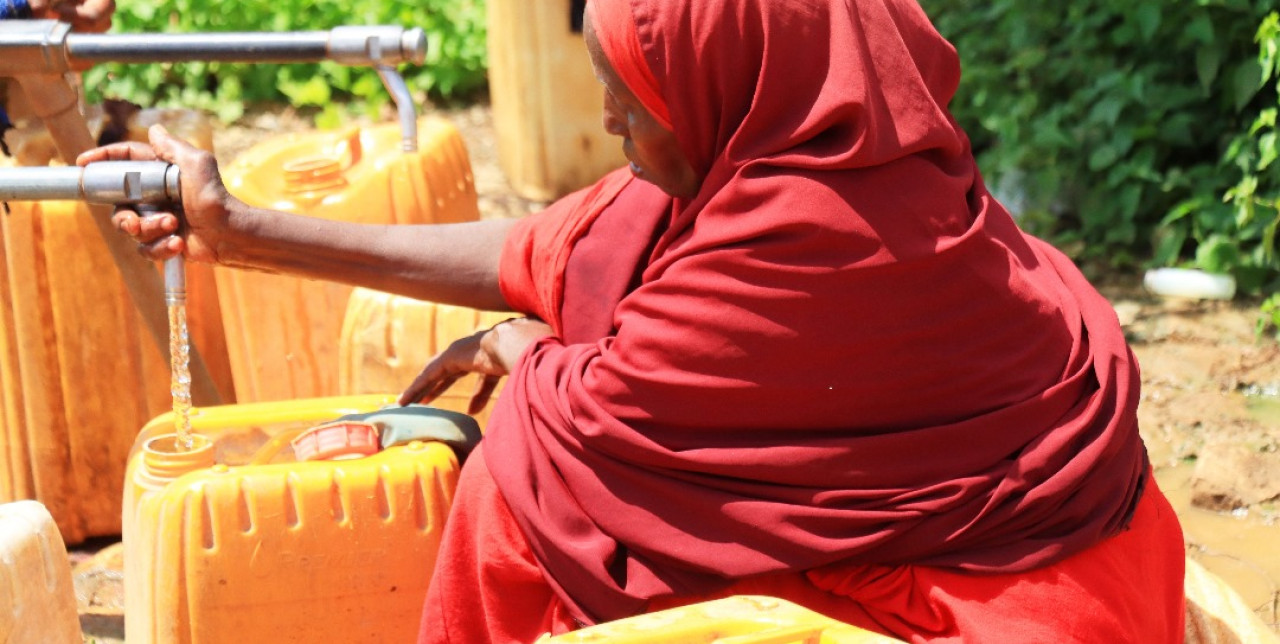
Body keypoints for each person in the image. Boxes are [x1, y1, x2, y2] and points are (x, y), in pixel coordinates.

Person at [81, 0, 1187, 641]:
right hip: (1076, 572)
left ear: (728, 81)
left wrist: (522, 357)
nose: (608, 114)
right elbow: (536, 251)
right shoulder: (829, 156)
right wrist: (242, 230)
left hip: (998, 611)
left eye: (634, 91)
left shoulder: (807, 250)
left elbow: (582, 417)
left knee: (520, 478)